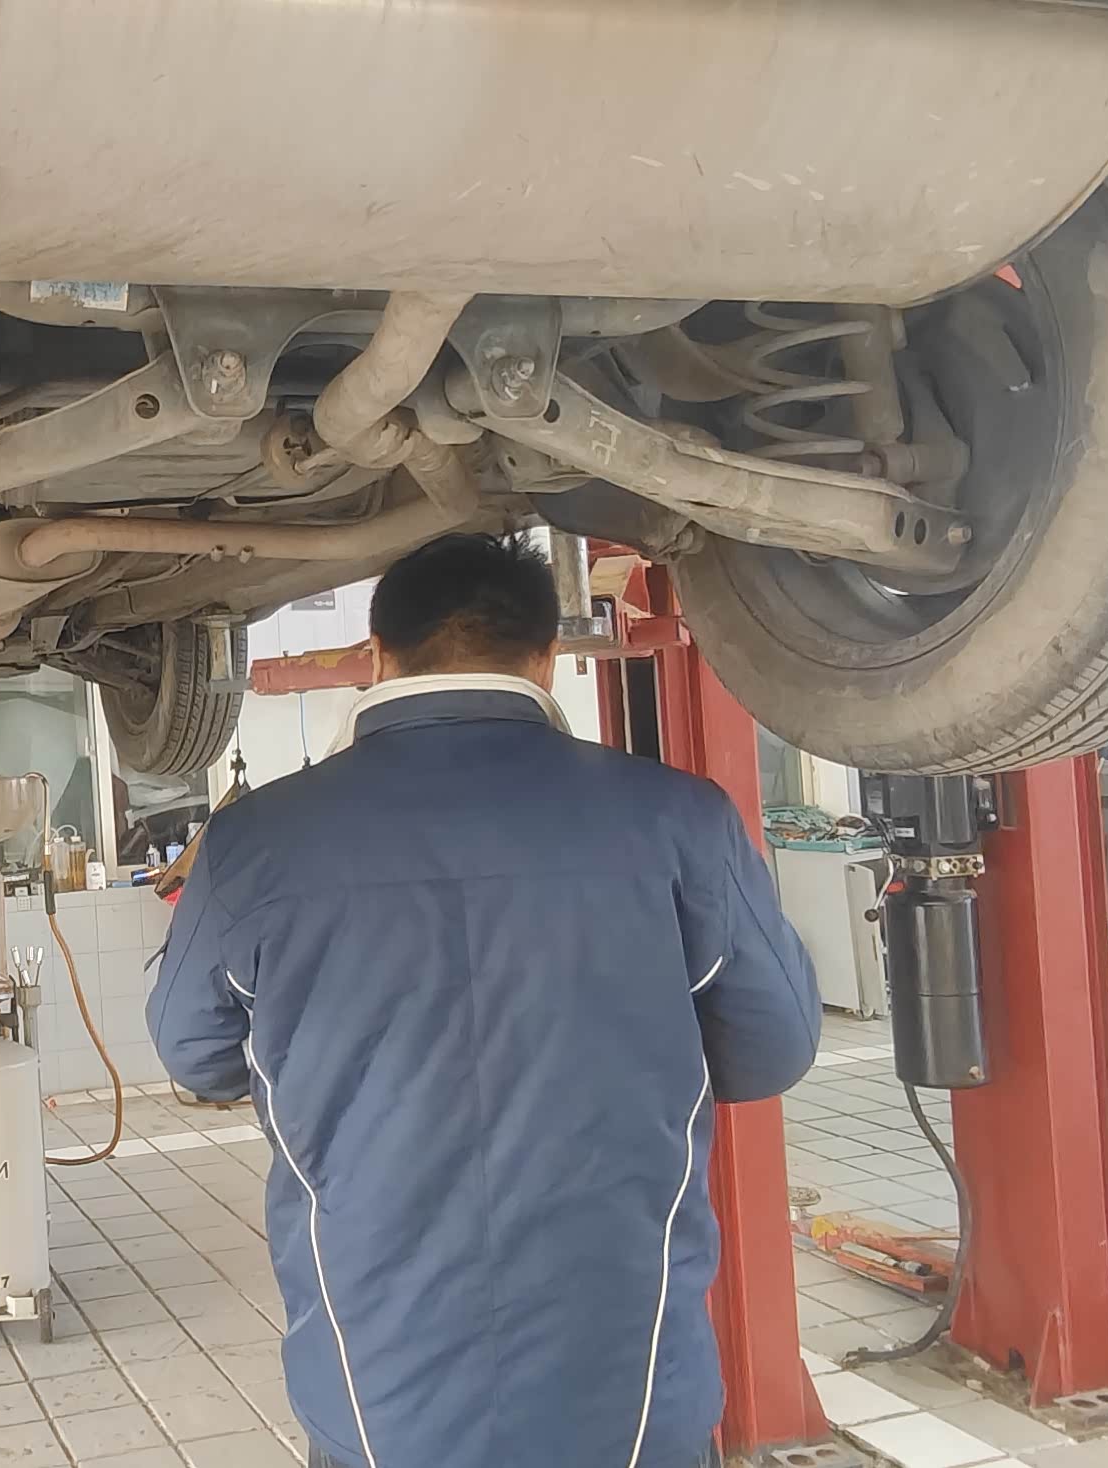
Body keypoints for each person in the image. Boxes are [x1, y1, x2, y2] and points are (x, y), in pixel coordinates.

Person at [148, 534, 821, 1468]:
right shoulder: (678, 819)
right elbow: (772, 1045)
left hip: (378, 1398)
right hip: (631, 1393)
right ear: (546, 659)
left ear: (378, 655)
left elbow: (195, 1051)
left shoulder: (253, 843)